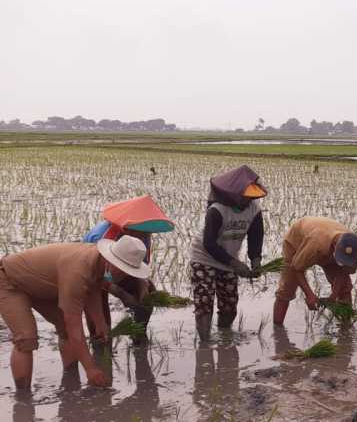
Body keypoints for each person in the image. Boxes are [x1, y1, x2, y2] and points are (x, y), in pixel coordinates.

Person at [0, 236, 152, 390]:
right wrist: (90, 369)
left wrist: (99, 322)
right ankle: (23, 398)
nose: (123, 275)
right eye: (122, 270)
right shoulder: (78, 271)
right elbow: (74, 324)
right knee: (27, 338)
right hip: (9, 280)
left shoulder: (100, 264)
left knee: (64, 330)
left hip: (41, 285)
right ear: (111, 260)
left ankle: (70, 382)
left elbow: (93, 290)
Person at [189, 165, 267, 340]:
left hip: (229, 258)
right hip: (204, 258)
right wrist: (235, 264)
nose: (248, 201)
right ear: (234, 194)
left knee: (229, 304)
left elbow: (256, 237)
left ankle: (224, 338)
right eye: (245, 197)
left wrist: (256, 260)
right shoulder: (217, 210)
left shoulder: (254, 209)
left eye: (250, 198)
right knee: (204, 302)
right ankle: (205, 345)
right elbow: (209, 243)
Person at [81, 195, 175, 330]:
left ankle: (139, 334)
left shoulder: (143, 235)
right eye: (140, 233)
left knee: (147, 295)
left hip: (117, 267)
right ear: (126, 228)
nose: (145, 237)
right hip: (92, 273)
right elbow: (99, 277)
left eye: (146, 233)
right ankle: (101, 343)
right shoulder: (102, 237)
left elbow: (139, 268)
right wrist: (122, 294)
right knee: (99, 313)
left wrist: (143, 290)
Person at [273, 216, 357, 325]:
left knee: (344, 288)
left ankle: (345, 328)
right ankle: (277, 329)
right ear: (335, 247)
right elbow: (296, 268)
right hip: (297, 241)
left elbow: (343, 271)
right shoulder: (316, 243)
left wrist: (334, 294)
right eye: (340, 258)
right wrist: (309, 294)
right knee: (287, 288)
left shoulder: (355, 248)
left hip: (324, 242)